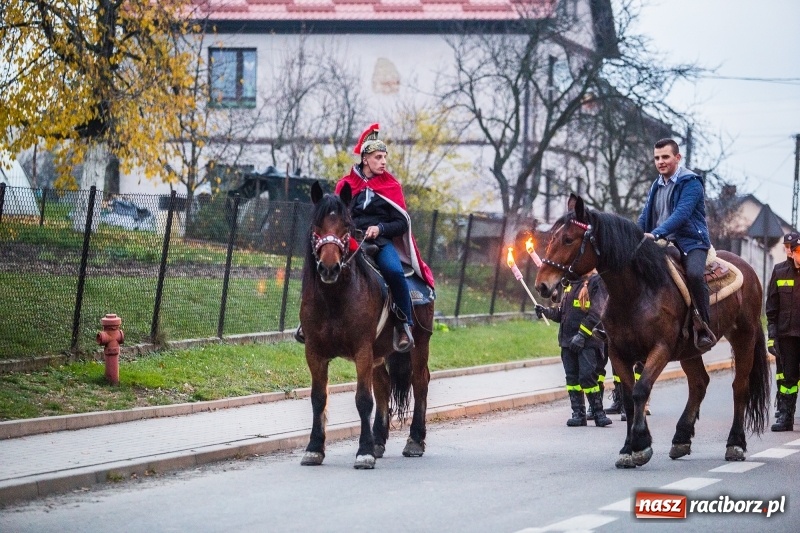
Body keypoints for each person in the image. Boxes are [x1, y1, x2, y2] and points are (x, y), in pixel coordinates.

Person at [335, 123, 435, 352]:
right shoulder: (346, 185)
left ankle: (403, 324)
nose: (383, 162)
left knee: (393, 271)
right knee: (327, 267)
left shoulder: (391, 186)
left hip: (380, 243)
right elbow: (336, 215)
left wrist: (379, 229)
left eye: (385, 158)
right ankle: (310, 323)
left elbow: (401, 222)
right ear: (366, 159)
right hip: (352, 242)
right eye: (378, 157)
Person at [638, 138, 716, 351]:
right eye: (657, 158)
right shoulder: (657, 183)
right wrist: (634, 235)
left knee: (693, 274)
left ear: (677, 158)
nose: (660, 162)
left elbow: (681, 214)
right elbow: (646, 215)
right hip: (662, 240)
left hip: (692, 242)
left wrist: (655, 234)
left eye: (665, 157)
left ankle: (703, 326)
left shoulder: (691, 182)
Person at [536, 270, 612, 427]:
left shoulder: (596, 281)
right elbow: (562, 314)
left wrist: (582, 335)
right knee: (572, 379)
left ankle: (598, 413)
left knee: (587, 377)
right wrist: (546, 312)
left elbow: (597, 313)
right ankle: (578, 414)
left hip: (588, 342)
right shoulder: (569, 283)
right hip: (567, 341)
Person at [766, 232, 800, 432]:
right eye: (797, 251)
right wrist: (772, 336)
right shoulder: (780, 272)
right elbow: (771, 308)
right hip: (787, 335)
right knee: (788, 379)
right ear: (792, 253)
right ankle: (786, 417)